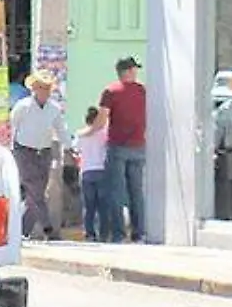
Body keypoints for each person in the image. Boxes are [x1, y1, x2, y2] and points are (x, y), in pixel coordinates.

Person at [8, 72, 69, 240]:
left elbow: (60, 130)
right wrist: (11, 149)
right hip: (24, 151)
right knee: (35, 190)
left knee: (36, 194)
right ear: (34, 88)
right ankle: (48, 228)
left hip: (44, 151)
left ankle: (21, 230)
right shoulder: (22, 107)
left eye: (47, 88)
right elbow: (13, 127)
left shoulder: (54, 109)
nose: (44, 91)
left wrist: (70, 146)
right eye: (41, 87)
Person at [96, 57, 149, 243]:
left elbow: (101, 121)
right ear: (129, 71)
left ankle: (118, 234)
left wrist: (86, 132)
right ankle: (139, 233)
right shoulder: (143, 91)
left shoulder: (110, 91)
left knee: (116, 192)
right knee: (137, 192)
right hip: (139, 146)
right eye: (135, 69)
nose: (136, 72)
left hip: (118, 146)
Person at [74, 107, 110, 242]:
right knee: (103, 207)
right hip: (102, 171)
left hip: (86, 172)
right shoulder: (105, 133)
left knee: (89, 207)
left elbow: (75, 150)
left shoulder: (80, 134)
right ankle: (104, 235)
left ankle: (89, 234)